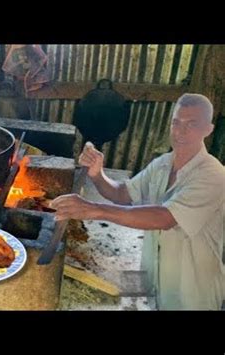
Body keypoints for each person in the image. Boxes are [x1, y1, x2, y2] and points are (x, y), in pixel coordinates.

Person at [51, 93, 225, 310]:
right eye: (176, 122)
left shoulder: (214, 175)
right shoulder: (162, 164)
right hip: (155, 283)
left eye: (192, 124)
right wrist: (97, 174)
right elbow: (123, 193)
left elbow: (165, 218)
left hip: (194, 295)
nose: (181, 131)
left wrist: (93, 209)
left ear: (208, 130)